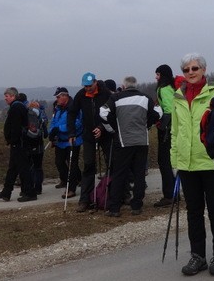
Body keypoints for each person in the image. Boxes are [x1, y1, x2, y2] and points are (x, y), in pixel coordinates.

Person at [170, 53, 214, 276]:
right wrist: (175, 161)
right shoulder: (178, 97)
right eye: (186, 69)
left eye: (195, 68)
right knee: (193, 212)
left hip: (211, 163)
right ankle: (198, 256)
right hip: (187, 164)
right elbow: (175, 132)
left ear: (204, 69)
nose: (191, 72)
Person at [99, 76, 157, 217]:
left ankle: (114, 208)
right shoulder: (146, 97)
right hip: (142, 141)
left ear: (123, 86)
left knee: (119, 174)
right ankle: (136, 206)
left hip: (123, 141)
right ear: (136, 86)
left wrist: (112, 129)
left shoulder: (116, 98)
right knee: (139, 174)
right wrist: (147, 125)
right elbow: (158, 113)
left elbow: (103, 112)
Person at [67, 72, 111, 212]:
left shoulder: (106, 93)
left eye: (89, 85)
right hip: (88, 135)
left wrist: (102, 127)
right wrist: (72, 132)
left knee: (112, 163)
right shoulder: (81, 95)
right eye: (85, 86)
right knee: (88, 165)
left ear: (95, 82)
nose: (87, 88)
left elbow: (113, 113)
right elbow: (72, 113)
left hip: (105, 133)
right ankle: (85, 200)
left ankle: (120, 194)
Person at [0, 87, 38, 202]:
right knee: (12, 169)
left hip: (20, 143)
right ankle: (6, 192)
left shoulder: (16, 107)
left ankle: (30, 193)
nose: (5, 99)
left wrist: (13, 140)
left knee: (23, 168)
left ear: (13, 96)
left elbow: (16, 126)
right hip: (18, 143)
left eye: (7, 96)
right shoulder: (17, 106)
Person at [48, 87, 82, 197]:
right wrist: (52, 132)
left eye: (58, 97)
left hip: (72, 140)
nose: (57, 99)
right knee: (59, 162)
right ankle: (69, 179)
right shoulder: (57, 108)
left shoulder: (74, 107)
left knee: (72, 164)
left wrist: (61, 128)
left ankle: (71, 188)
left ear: (64, 96)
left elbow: (77, 123)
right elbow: (54, 121)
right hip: (60, 141)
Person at [153, 64, 177, 208]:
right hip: (172, 128)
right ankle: (172, 193)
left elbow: (168, 109)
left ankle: (169, 195)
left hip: (167, 131)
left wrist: (162, 126)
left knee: (164, 162)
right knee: (166, 161)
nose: (156, 77)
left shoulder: (163, 89)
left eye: (157, 74)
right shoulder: (171, 87)